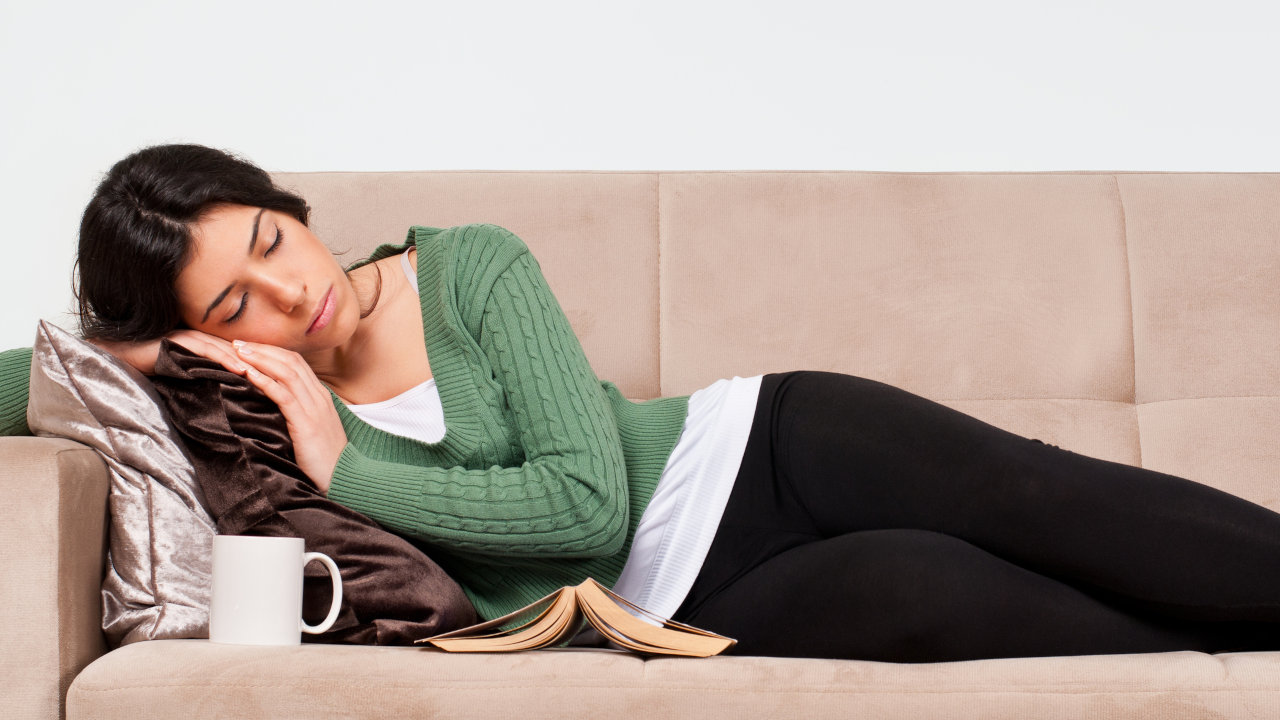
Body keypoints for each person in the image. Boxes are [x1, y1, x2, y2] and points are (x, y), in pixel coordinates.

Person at [2, 143, 1280, 663]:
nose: (286, 301)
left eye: (272, 243)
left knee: (1049, 500)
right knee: (941, 594)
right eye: (233, 306)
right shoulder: (240, 396)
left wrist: (345, 466)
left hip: (772, 451)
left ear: (289, 209)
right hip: (678, 600)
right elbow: (32, 373)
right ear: (192, 331)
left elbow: (585, 496)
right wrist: (148, 360)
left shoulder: (469, 265)